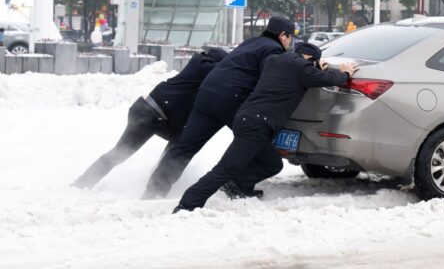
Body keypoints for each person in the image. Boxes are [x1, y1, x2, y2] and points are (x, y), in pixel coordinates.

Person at [174, 42, 359, 212]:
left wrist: (314, 67)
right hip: (258, 124)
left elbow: (299, 75)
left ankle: (239, 185)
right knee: (225, 169)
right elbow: (330, 79)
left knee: (272, 163)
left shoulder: (274, 61)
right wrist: (345, 73)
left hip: (246, 118)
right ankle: (187, 204)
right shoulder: (302, 68)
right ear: (310, 59)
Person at [142, 16, 294, 199]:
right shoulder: (273, 49)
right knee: (255, 140)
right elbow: (268, 79)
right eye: (290, 37)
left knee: (185, 147)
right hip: (232, 98)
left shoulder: (250, 42)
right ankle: (238, 184)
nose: (290, 42)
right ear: (282, 35)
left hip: (206, 94)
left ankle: (154, 192)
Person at [71, 48, 228, 189]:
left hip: (153, 113)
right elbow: (223, 72)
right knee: (120, 152)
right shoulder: (203, 67)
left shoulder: (199, 67)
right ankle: (83, 184)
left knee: (179, 144)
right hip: (150, 113)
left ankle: (158, 181)